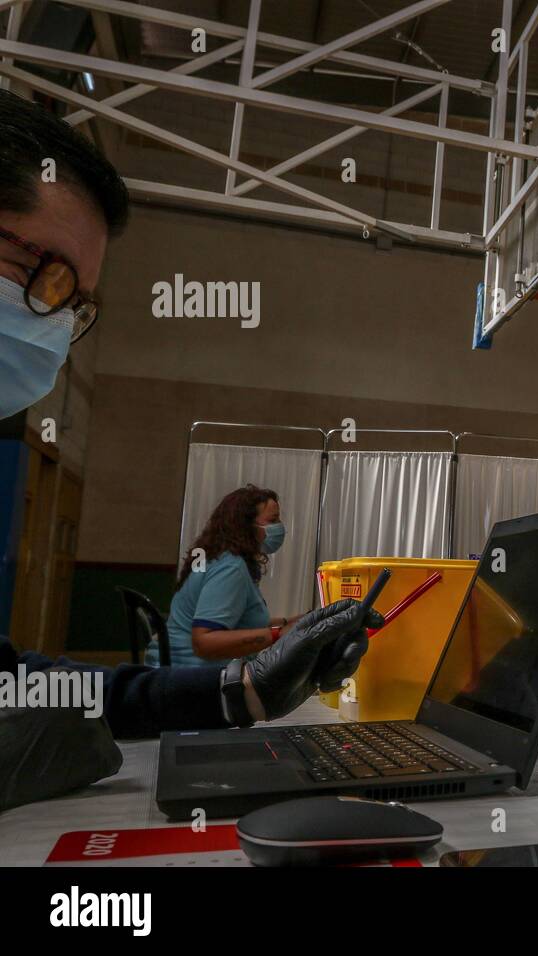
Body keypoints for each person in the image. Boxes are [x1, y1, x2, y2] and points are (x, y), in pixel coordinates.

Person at [0, 88, 379, 809]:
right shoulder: (232, 570)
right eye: (44, 276)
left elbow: (12, 683)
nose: (52, 324)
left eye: (74, 302)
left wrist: (244, 692)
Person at [152, 484, 303, 666]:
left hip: (174, 667)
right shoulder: (230, 568)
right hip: (192, 676)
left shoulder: (210, 556)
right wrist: (279, 634)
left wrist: (290, 623)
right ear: (246, 526)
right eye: (273, 520)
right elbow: (204, 643)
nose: (279, 528)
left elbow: (237, 621)